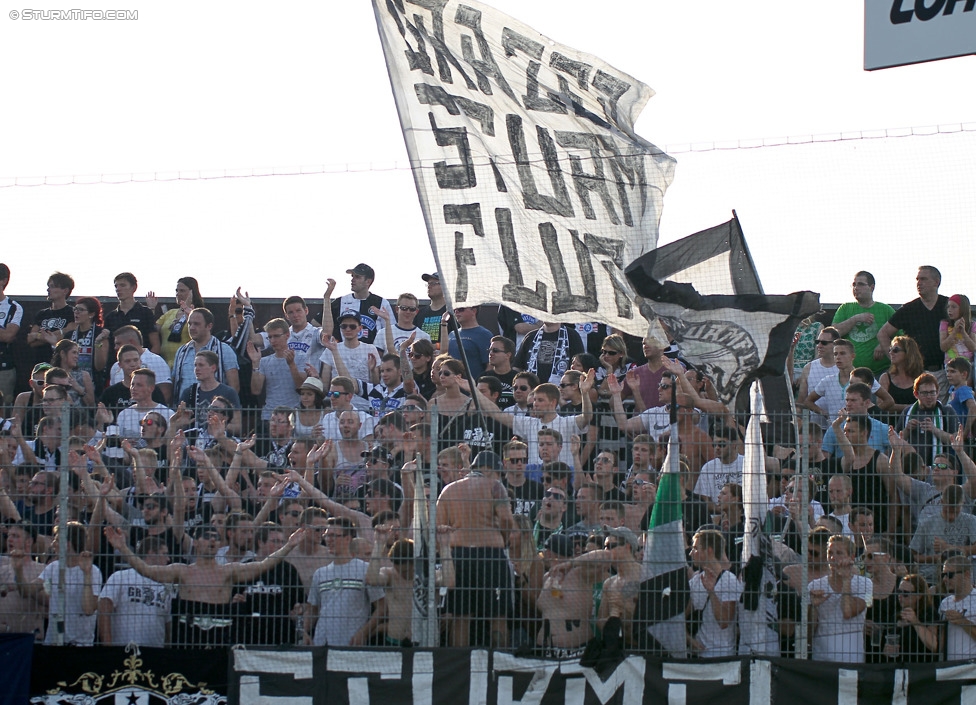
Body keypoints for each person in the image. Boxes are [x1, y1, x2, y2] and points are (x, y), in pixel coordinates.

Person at [105, 523, 304, 647]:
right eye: (206, 537)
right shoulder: (181, 571)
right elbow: (147, 570)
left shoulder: (229, 572)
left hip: (219, 638)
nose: (212, 541)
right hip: (188, 638)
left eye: (216, 538)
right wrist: (123, 548)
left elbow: (264, 565)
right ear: (196, 543)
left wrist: (289, 545)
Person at [437, 454, 517, 647]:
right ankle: (500, 662)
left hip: (459, 556)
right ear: (490, 469)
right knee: (497, 616)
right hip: (491, 555)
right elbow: (507, 520)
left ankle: (460, 665)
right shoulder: (495, 486)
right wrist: (503, 539)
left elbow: (438, 527)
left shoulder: (448, 490)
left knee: (461, 617)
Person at [14, 521, 101, 646]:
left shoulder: (93, 571)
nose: (53, 544)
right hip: (53, 643)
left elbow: (88, 609)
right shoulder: (53, 567)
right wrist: (18, 570)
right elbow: (27, 591)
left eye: (57, 540)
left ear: (68, 544)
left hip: (80, 645)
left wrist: (87, 574)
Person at [365, 525, 454, 646]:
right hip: (395, 641)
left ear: (416, 563)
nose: (402, 574)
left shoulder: (430, 576)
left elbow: (449, 582)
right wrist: (379, 544)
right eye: (399, 570)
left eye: (407, 571)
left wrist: (445, 546)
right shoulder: (390, 575)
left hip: (425, 642)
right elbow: (371, 579)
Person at [304, 516, 384, 646]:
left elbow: (381, 608)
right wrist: (303, 632)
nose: (329, 540)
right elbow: (313, 610)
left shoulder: (365, 570)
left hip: (351, 647)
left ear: (348, 538)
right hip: (321, 646)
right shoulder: (320, 574)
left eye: (334, 536)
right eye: (327, 536)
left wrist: (364, 632)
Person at [878, 266, 949, 397]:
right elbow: (883, 333)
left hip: (945, 372)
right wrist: (895, 357)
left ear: (936, 281)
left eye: (923, 279)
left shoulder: (948, 306)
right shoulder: (909, 309)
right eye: (917, 279)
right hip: (915, 372)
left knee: (941, 413)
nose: (919, 283)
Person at [232, 523, 306, 645]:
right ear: (260, 542)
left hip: (281, 636)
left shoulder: (288, 570)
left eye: (282, 542)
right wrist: (235, 601)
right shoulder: (245, 568)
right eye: (275, 541)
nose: (279, 546)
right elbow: (231, 599)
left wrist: (299, 609)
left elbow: (301, 601)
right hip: (248, 636)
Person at [97, 536, 175, 647]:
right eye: (164, 553)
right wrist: (108, 646)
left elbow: (168, 624)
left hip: (155, 652)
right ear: (151, 553)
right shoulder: (121, 577)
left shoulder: (166, 585)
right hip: (124, 649)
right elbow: (104, 609)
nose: (168, 559)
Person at [809, 534, 872, 663]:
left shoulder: (865, 584)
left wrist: (846, 580)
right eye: (830, 553)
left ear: (851, 557)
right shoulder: (815, 585)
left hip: (852, 659)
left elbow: (848, 612)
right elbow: (808, 632)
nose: (833, 557)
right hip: (821, 659)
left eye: (839, 553)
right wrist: (813, 607)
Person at [688, 529, 740, 658]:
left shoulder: (729, 580)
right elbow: (682, 615)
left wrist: (711, 592)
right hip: (698, 656)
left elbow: (724, 621)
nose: (691, 553)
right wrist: (689, 639)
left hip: (721, 656)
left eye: (695, 548)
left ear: (709, 550)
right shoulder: (695, 581)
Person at [910, 485, 976, 585]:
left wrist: (949, 548)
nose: (951, 516)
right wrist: (936, 558)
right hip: (930, 578)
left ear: (963, 503)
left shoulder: (970, 521)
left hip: (959, 579)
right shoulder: (926, 524)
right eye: (948, 511)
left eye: (956, 512)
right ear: (941, 502)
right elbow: (912, 555)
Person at [831, 271, 895, 374]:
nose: (856, 288)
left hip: (881, 372)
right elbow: (834, 333)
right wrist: (855, 319)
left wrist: (884, 345)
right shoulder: (845, 308)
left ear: (872, 287)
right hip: (850, 373)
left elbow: (901, 338)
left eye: (860, 284)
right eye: (854, 285)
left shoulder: (886, 310)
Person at [171, 308, 241, 398]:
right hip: (185, 408)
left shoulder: (224, 350)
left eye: (196, 324)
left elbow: (234, 387)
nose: (191, 327)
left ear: (209, 326)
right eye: (190, 324)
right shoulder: (181, 351)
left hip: (214, 409)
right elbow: (174, 383)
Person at [248, 318, 305, 423]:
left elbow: (301, 388)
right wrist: (255, 363)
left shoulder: (300, 358)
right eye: (270, 337)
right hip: (269, 416)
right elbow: (256, 390)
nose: (273, 340)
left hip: (293, 416)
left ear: (287, 335)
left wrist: (292, 364)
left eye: (276, 336)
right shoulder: (264, 361)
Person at [898, 372, 959, 464]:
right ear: (916, 394)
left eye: (932, 392)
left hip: (941, 467)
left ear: (938, 392)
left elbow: (956, 440)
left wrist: (934, 430)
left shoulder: (947, 411)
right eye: (925, 393)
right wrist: (907, 429)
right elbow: (896, 441)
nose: (929, 397)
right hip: (912, 467)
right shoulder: (908, 412)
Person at [328, 263, 395, 345]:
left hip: (372, 353)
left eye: (357, 277)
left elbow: (391, 331)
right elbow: (317, 323)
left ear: (368, 281)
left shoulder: (381, 302)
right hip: (343, 353)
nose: (352, 280)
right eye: (352, 276)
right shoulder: (340, 301)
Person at [0, 520, 45, 640]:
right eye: (8, 536)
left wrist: (23, 586)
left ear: (29, 541)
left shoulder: (41, 570)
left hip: (27, 639)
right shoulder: (2, 565)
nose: (9, 540)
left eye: (15, 536)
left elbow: (49, 602)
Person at [148, 277, 204, 368]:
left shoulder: (199, 313)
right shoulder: (170, 313)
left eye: (182, 291)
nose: (178, 294)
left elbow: (201, 335)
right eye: (177, 291)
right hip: (165, 364)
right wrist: (151, 309)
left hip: (186, 363)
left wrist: (189, 312)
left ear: (192, 292)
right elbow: (153, 329)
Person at [884, 573, 940, 662]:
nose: (900, 596)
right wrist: (887, 650)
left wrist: (915, 621)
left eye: (905, 593)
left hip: (920, 667)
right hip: (898, 667)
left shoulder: (928, 614)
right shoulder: (896, 614)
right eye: (899, 592)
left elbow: (934, 645)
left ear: (919, 595)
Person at [104, 272, 160, 355]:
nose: (118, 289)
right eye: (116, 286)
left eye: (123, 285)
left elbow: (156, 345)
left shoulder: (145, 313)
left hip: (140, 363)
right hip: (117, 364)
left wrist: (146, 363)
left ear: (134, 288)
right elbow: (106, 347)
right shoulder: (111, 316)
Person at [513, 321, 584, 386]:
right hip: (533, 391)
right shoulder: (531, 336)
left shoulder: (572, 335)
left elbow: (580, 366)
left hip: (561, 391)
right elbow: (517, 366)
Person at [27, 271, 75, 368]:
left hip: (60, 365)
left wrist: (38, 336)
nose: (48, 289)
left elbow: (67, 336)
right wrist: (56, 335)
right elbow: (30, 340)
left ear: (65, 290)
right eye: (49, 286)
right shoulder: (42, 314)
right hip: (40, 365)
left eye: (53, 286)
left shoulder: (72, 312)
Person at [879, 335, 926, 424]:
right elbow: (881, 405)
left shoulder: (922, 377)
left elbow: (927, 403)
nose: (891, 353)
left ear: (908, 353)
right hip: (892, 428)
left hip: (918, 426)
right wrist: (912, 408)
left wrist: (895, 407)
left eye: (895, 350)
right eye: (890, 350)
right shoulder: (885, 378)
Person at [940, 554, 976, 660]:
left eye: (950, 575)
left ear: (966, 574)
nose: (945, 579)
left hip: (971, 668)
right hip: (949, 669)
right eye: (943, 575)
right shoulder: (945, 603)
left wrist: (962, 621)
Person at [443, 306, 493, 379]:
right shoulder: (452, 334)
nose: (456, 312)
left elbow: (490, 365)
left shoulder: (484, 334)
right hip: (452, 386)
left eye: (461, 309)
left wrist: (480, 385)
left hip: (472, 386)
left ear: (474, 311)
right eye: (454, 310)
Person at [0, 264, 24, 402]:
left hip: (3, 368)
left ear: (3, 281)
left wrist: (4, 334)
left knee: (4, 408)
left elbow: (9, 335)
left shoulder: (14, 307)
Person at [51, 339, 95, 408]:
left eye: (77, 353)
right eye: (74, 352)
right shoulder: (51, 374)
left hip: (79, 417)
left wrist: (78, 388)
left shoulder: (84, 375)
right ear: (62, 353)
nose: (77, 356)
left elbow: (91, 404)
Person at [941, 293, 976, 365]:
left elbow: (973, 348)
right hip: (951, 364)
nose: (949, 310)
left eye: (953, 307)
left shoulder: (972, 325)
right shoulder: (945, 324)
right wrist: (954, 331)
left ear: (962, 308)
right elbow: (943, 347)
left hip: (967, 365)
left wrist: (963, 332)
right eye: (948, 307)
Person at [415, 271, 447, 348]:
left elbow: (455, 341)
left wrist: (435, 346)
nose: (429, 286)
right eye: (428, 284)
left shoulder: (453, 312)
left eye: (433, 284)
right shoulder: (420, 313)